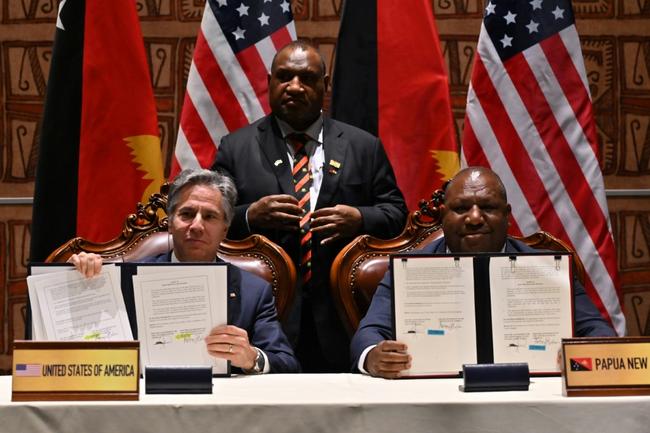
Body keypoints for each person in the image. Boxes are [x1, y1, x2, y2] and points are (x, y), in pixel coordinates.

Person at [212, 41, 407, 372]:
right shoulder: (236, 147)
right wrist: (249, 215)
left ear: (325, 85)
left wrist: (360, 217)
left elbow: (396, 214)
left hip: (341, 315)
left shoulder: (363, 146)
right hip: (265, 319)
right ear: (270, 81)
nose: (295, 87)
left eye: (307, 78)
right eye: (284, 77)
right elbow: (210, 218)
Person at [351, 166, 617, 379]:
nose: (475, 218)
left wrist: (583, 353)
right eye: (461, 208)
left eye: (488, 207)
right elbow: (368, 333)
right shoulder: (408, 267)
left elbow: (597, 330)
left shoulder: (547, 267)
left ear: (507, 215)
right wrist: (373, 356)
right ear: (443, 215)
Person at [69, 169, 299, 374]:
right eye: (187, 214)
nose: (197, 226)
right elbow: (83, 348)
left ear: (224, 229)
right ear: (170, 222)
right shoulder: (126, 279)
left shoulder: (253, 290)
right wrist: (80, 279)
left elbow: (286, 363)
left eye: (210, 217)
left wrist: (251, 358)